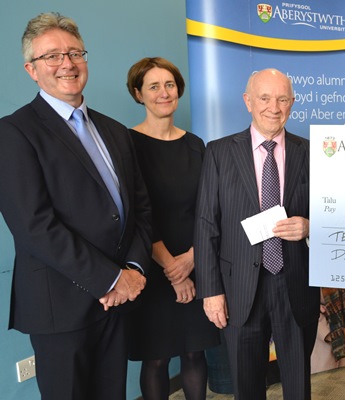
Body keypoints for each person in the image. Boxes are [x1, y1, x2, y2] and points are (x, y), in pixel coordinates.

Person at [0, 12, 151, 400]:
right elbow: (34, 226)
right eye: (52, 56)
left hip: (116, 305)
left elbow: (139, 210)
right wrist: (112, 279)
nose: (67, 63)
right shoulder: (14, 133)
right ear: (32, 70)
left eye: (75, 53)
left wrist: (132, 270)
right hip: (60, 309)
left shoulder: (115, 130)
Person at [195, 68, 318, 400]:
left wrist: (309, 226)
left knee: (298, 384)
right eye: (264, 98)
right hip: (239, 288)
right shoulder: (219, 152)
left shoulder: (311, 152)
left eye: (282, 99)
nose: (273, 107)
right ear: (248, 101)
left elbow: (333, 213)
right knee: (246, 385)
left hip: (295, 283)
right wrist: (211, 291)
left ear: (292, 103)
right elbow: (206, 224)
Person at [126, 57, 219, 400]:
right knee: (156, 358)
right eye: (153, 86)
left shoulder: (197, 145)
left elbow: (210, 209)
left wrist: (193, 260)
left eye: (169, 85)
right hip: (151, 268)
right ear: (138, 94)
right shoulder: (127, 144)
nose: (163, 93)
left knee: (195, 352)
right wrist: (173, 268)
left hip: (197, 261)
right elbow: (134, 214)